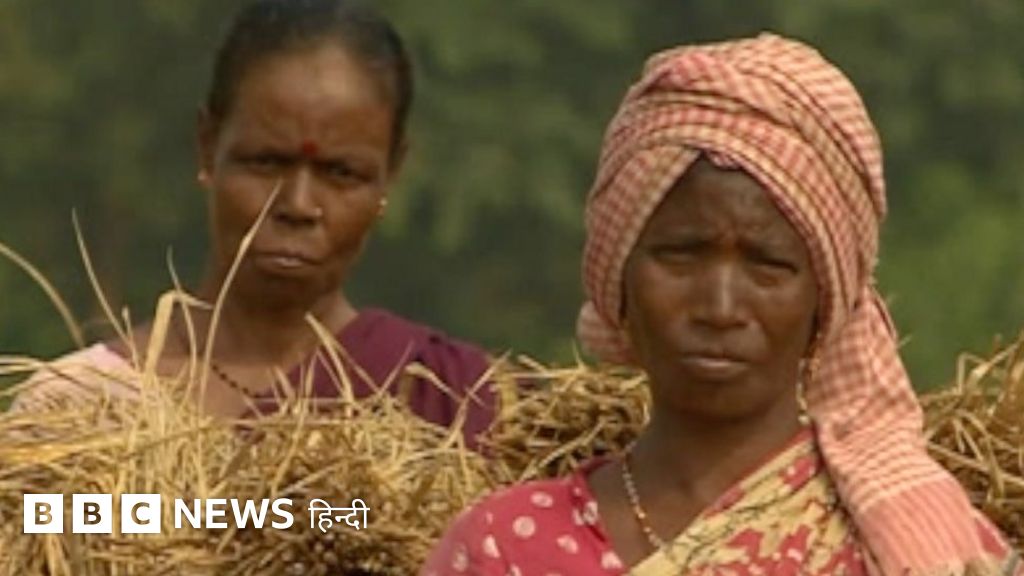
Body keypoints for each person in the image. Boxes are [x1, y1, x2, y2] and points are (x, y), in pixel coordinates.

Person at [422, 34, 1020, 574]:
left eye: (768, 266)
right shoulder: (503, 548)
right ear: (617, 276)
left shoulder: (925, 555)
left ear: (824, 301)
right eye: (681, 255)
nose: (720, 306)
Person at [11, 0, 493, 444]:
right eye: (266, 162)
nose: (299, 206)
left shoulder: (446, 404)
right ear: (207, 147)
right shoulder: (74, 413)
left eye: (342, 173)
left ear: (390, 173)